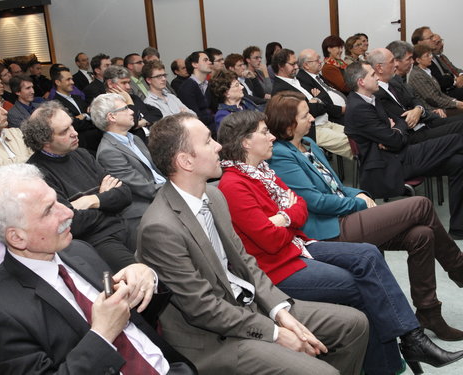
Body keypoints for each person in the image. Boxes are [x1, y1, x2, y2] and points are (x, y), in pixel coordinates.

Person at [218, 109, 463, 374]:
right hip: (280, 265)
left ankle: (411, 339)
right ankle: (391, 361)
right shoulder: (234, 184)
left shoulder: (262, 171)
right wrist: (288, 217)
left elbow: (300, 207)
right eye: (264, 133)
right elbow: (273, 237)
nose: (271, 138)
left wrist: (284, 218)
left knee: (375, 252)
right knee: (364, 283)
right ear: (245, 142)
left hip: (298, 247)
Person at [137, 112, 369, 375]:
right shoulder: (160, 228)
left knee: (354, 324)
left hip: (248, 305)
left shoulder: (213, 195)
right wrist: (274, 332)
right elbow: (203, 309)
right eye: (208, 141)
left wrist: (279, 311)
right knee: (322, 372)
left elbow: (245, 262)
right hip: (212, 339)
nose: (219, 146)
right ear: (185, 160)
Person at [267, 90, 463, 341]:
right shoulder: (281, 155)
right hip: (329, 230)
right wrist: (357, 203)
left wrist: (358, 193)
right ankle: (458, 267)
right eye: (306, 116)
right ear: (288, 123)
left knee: (422, 235)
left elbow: (336, 187)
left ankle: (429, 313)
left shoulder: (309, 145)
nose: (313, 119)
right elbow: (314, 202)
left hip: (344, 217)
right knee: (421, 205)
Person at [0, 163, 196, 374]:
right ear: (17, 237)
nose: (68, 212)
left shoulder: (80, 251)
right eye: (48, 211)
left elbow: (138, 324)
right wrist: (102, 334)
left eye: (58, 200)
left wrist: (145, 279)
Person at [344, 61, 463, 238]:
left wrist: (395, 129)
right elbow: (397, 137)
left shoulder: (370, 98)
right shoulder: (359, 107)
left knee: (458, 163)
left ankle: (458, 229)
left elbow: (396, 129)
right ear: (361, 82)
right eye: (372, 75)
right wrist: (396, 129)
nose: (377, 76)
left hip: (398, 153)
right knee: (457, 139)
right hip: (390, 164)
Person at [22, 101, 136, 271]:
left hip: (123, 224)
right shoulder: (36, 174)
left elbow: (125, 194)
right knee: (145, 280)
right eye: (64, 131)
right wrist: (106, 199)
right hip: (96, 241)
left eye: (72, 126)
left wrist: (92, 200)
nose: (75, 133)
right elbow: (71, 222)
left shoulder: (82, 154)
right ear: (44, 141)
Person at [93, 93, 166, 250]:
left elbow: (157, 172)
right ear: (111, 117)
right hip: (144, 209)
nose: (132, 111)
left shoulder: (134, 139)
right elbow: (143, 188)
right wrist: (177, 188)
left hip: (160, 194)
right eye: (125, 108)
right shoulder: (108, 152)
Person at [271, 48, 352, 159]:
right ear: (281, 66)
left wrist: (316, 100)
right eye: (293, 64)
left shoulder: (297, 80)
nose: (296, 66)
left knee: (358, 135)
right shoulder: (280, 90)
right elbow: (309, 111)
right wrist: (316, 101)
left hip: (325, 122)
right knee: (352, 143)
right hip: (311, 130)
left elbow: (324, 100)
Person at [408, 44, 463, 116]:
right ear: (418, 60)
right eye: (427, 56)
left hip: (439, 107)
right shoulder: (417, 76)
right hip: (432, 111)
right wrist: (456, 104)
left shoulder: (426, 71)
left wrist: (455, 101)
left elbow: (440, 94)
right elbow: (433, 99)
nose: (431, 57)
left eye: (430, 54)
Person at [0, 94, 32, 173]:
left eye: (1, 106)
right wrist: (31, 159)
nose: (5, 111)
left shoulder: (16, 132)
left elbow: (36, 154)